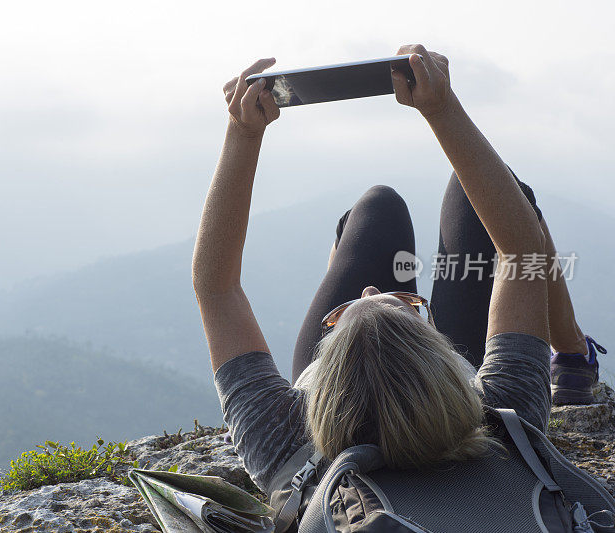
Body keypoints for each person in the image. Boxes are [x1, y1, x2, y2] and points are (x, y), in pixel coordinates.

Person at [191, 43, 606, 501]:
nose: (372, 287)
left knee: (375, 208)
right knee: (494, 194)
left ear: (323, 370)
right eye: (403, 305)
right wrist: (441, 109)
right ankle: (571, 355)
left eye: (350, 309)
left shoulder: (288, 440)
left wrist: (242, 134)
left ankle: (377, 320)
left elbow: (216, 287)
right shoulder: (498, 421)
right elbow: (521, 247)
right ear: (440, 350)